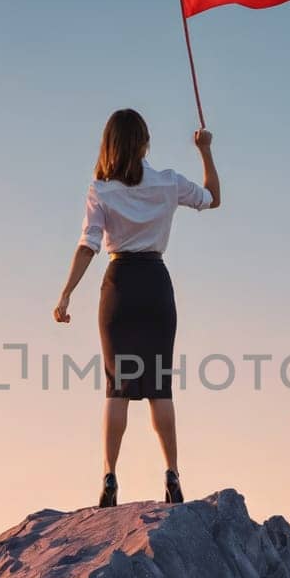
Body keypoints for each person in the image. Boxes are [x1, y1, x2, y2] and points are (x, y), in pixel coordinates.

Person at [53, 108, 220, 507]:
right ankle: (173, 474)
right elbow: (213, 198)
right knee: (160, 387)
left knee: (117, 389)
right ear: (145, 142)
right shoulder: (168, 184)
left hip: (119, 287)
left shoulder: (101, 190)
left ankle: (109, 476)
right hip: (156, 286)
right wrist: (205, 150)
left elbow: (88, 245)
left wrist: (66, 293)